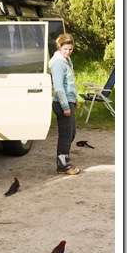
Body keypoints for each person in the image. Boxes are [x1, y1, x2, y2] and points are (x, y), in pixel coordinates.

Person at [49, 33, 80, 175]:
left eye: (70, 49)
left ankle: (63, 160)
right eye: (65, 49)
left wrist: (75, 100)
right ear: (59, 47)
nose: (68, 52)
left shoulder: (67, 60)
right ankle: (63, 166)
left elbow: (70, 83)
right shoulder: (58, 63)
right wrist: (66, 107)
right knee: (66, 134)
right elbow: (59, 87)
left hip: (69, 101)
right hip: (62, 104)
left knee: (71, 133)